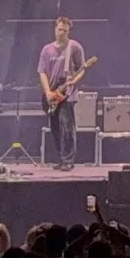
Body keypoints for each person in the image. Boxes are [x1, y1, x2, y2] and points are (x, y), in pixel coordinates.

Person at [35, 16, 89, 168]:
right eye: (59, 29)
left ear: (68, 31)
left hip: (68, 94)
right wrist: (47, 92)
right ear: (55, 28)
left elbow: (82, 68)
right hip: (52, 95)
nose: (61, 33)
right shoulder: (46, 50)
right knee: (55, 128)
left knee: (67, 127)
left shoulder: (75, 47)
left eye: (65, 31)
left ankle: (68, 160)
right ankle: (61, 158)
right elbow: (42, 72)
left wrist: (74, 81)